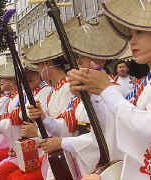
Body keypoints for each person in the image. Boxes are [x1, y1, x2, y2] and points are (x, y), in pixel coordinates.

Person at [67, 0, 151, 179]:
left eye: (139, 32)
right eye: (131, 34)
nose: (131, 41)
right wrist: (90, 95)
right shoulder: (149, 81)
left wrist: (105, 89)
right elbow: (117, 124)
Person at [24, 14, 128, 180]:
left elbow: (105, 140)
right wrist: (43, 118)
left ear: (97, 60)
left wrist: (62, 143)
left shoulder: (114, 92)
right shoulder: (82, 94)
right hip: (81, 161)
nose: (76, 65)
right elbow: (66, 126)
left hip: (101, 166)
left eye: (81, 60)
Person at [0, 62, 51, 180]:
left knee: (9, 173)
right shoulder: (31, 93)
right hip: (35, 147)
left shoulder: (46, 91)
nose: (27, 76)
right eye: (24, 74)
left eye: (32, 72)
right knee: (4, 170)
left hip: (46, 151)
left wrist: (35, 136)